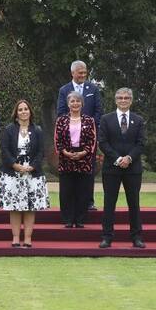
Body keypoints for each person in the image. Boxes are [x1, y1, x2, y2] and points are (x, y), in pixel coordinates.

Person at [98, 88, 146, 249]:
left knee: (134, 203)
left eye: (126, 98)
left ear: (131, 100)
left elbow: (141, 143)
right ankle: (107, 237)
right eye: (120, 97)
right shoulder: (106, 119)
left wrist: (129, 158)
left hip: (133, 169)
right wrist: (118, 159)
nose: (123, 100)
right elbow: (103, 142)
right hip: (112, 168)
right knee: (109, 203)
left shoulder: (138, 120)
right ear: (115, 100)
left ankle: (136, 237)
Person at [0, 99, 48, 247]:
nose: (23, 111)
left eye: (26, 109)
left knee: (30, 208)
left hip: (33, 174)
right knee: (15, 207)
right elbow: (5, 150)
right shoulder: (9, 130)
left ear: (30, 111)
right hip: (12, 173)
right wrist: (15, 165)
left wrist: (32, 167)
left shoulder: (37, 130)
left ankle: (27, 238)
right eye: (20, 109)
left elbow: (41, 152)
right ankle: (15, 238)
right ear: (16, 113)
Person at [56, 60, 102, 211]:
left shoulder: (93, 89)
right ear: (72, 73)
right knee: (69, 174)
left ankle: (89, 202)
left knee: (88, 172)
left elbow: (98, 112)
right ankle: (71, 204)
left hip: (88, 139)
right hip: (68, 139)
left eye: (85, 72)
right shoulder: (64, 90)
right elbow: (61, 112)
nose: (83, 75)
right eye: (80, 72)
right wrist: (72, 126)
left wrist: (86, 127)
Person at [54, 91, 97, 229]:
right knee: (66, 191)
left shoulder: (89, 120)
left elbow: (93, 140)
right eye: (72, 101)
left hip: (84, 160)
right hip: (66, 159)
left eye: (78, 101)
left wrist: (83, 153)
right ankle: (67, 219)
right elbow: (57, 140)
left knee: (82, 191)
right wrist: (66, 152)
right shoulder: (61, 120)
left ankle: (80, 220)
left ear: (82, 103)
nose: (75, 104)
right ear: (68, 104)